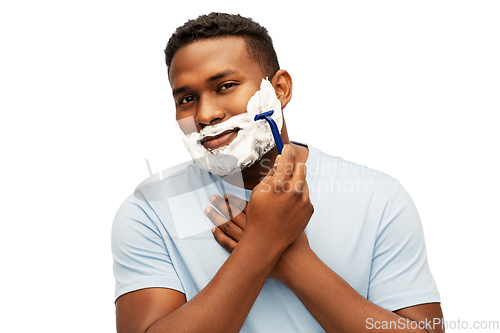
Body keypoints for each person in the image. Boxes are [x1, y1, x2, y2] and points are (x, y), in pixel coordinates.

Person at [112, 12, 444, 333]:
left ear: (280, 89)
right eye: (186, 98)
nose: (205, 113)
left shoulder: (379, 197)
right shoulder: (149, 210)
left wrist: (293, 261)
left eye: (226, 85)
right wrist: (263, 242)